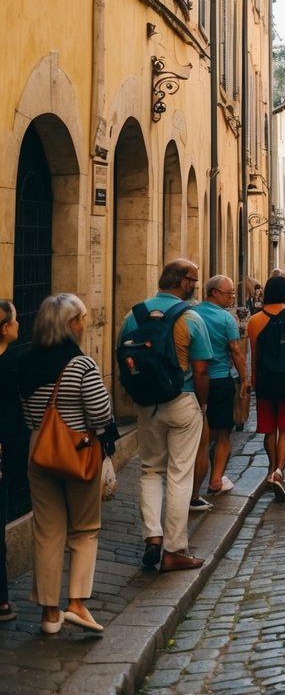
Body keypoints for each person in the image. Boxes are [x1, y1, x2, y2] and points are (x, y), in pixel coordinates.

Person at [18, 295, 112, 634]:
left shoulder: (24, 363)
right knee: (84, 529)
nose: (85, 323)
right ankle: (76, 603)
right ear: (71, 323)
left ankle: (48, 614)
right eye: (83, 317)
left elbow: (26, 412)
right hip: (79, 450)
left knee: (47, 531)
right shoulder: (81, 364)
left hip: (39, 450)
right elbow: (101, 414)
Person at [118, 259, 212, 572]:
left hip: (147, 403)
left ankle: (152, 538)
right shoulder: (191, 318)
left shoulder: (134, 315)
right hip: (182, 399)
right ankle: (174, 549)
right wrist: (202, 404)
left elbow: (123, 357)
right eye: (193, 280)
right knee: (179, 474)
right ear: (182, 281)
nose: (196, 285)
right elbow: (201, 370)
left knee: (150, 470)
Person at [246, 276, 285, 503]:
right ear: (284, 294)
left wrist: (253, 380)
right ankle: (279, 472)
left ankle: (271, 469)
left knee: (269, 429)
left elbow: (254, 355)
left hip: (264, 381)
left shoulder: (254, 321)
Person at [191, 275, 249, 504]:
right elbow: (235, 350)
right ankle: (215, 479)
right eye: (229, 293)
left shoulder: (192, 314)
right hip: (220, 379)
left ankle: (196, 484)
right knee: (223, 433)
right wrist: (245, 379)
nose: (233, 297)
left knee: (201, 436)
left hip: (194, 382)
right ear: (215, 292)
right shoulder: (225, 318)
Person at [0, 301, 22, 624]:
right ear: (5, 328)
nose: (20, 324)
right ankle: (2, 602)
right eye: (15, 320)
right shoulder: (12, 364)